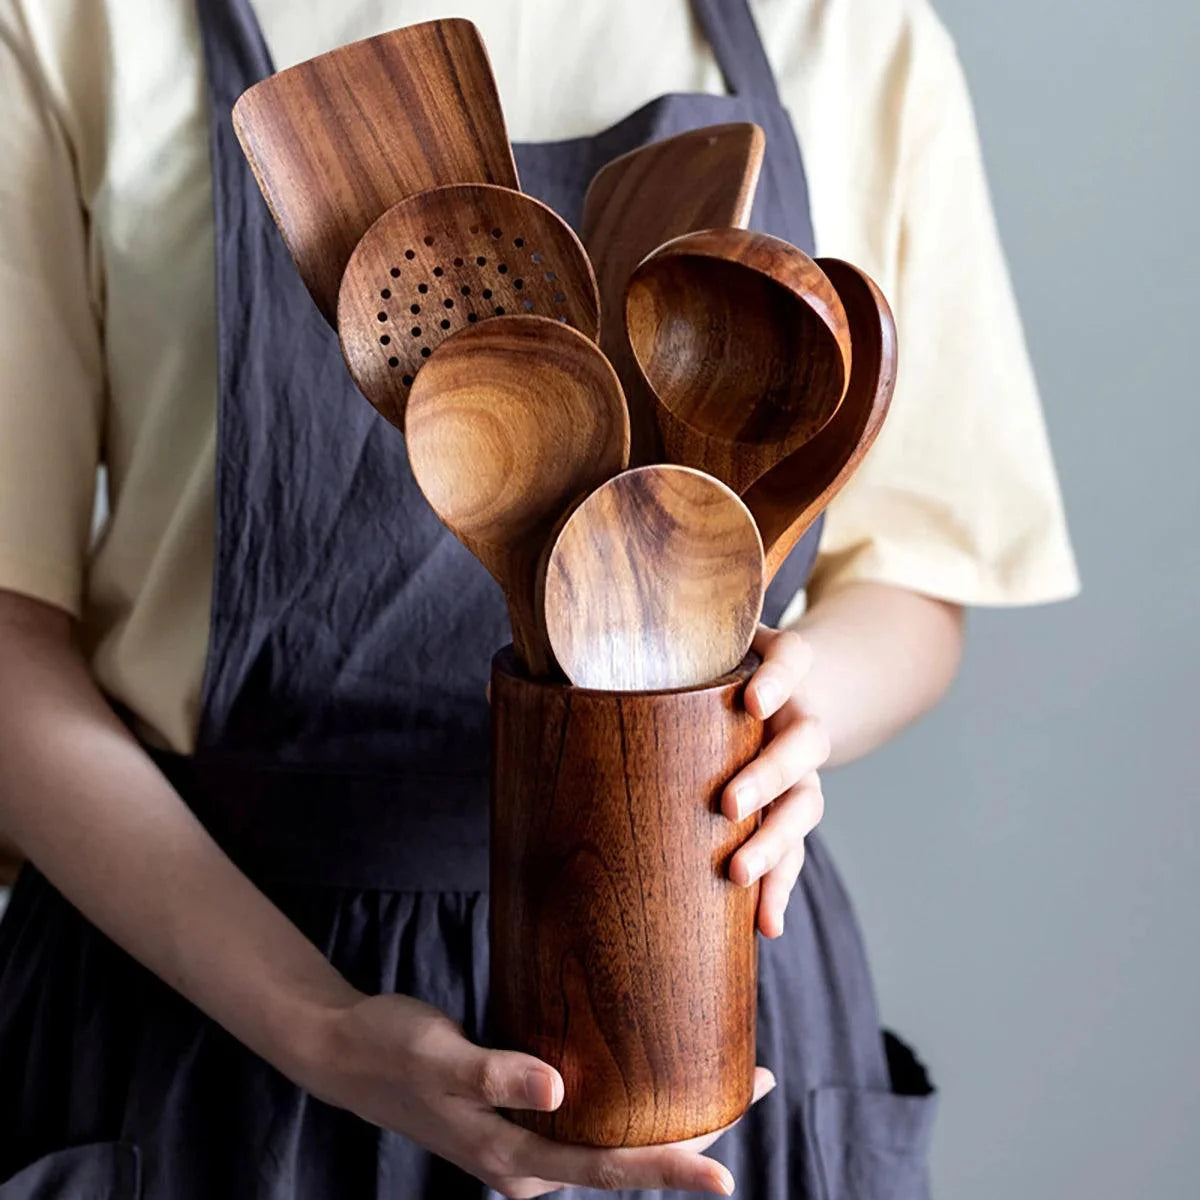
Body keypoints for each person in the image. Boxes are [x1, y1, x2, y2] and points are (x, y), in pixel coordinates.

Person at [0, 0, 1078, 1196]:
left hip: (701, 974)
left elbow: (916, 584)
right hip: (206, 1003)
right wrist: (313, 1024)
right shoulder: (74, 24)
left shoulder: (853, 30)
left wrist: (794, 696)